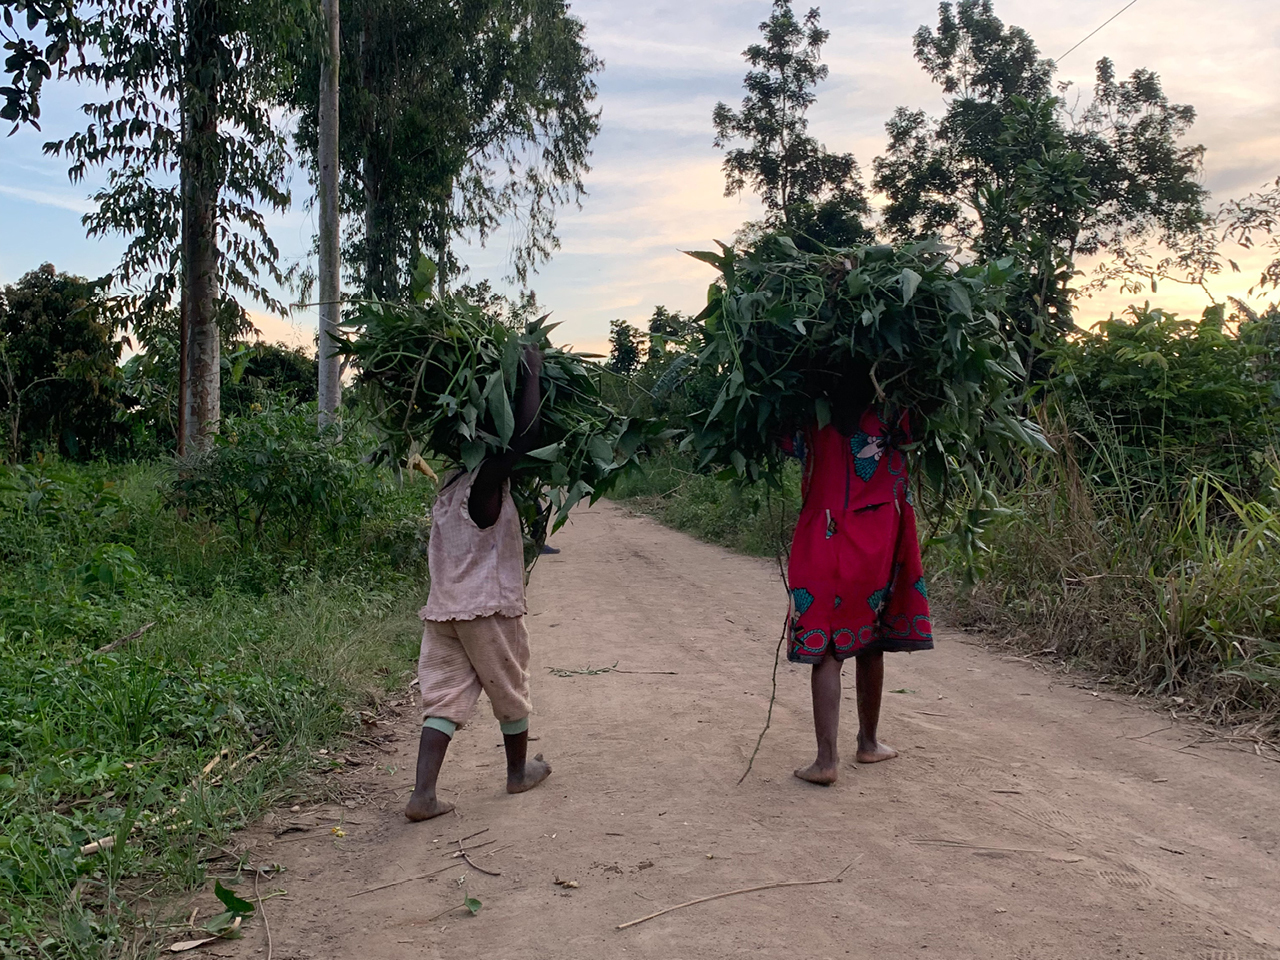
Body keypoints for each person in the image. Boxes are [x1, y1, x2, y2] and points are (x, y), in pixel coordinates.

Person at [405, 344, 552, 821]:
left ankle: (423, 795)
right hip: (486, 609)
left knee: (444, 696)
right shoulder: (484, 481)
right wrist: (532, 374)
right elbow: (524, 439)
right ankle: (517, 774)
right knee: (510, 686)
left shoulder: (449, 482)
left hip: (444, 612)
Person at [782, 369, 933, 786]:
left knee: (828, 643)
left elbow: (783, 444)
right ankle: (868, 743)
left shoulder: (809, 415)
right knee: (872, 632)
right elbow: (917, 433)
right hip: (881, 530)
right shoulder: (893, 412)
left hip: (823, 530)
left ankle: (825, 761)